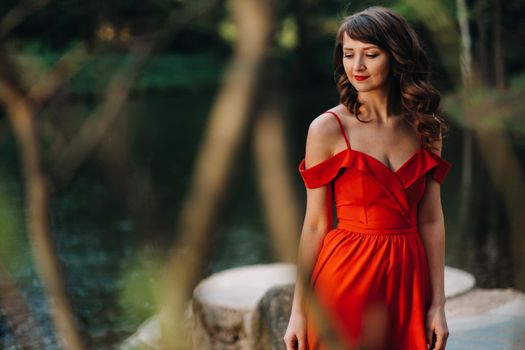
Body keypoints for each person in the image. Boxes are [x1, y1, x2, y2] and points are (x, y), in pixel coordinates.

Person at [283, 6, 452, 350]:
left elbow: (431, 220)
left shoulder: (426, 127)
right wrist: (298, 311)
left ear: (396, 58)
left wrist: (438, 304)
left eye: (370, 54)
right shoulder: (327, 128)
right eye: (348, 54)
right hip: (345, 279)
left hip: (408, 281)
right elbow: (315, 224)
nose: (356, 66)